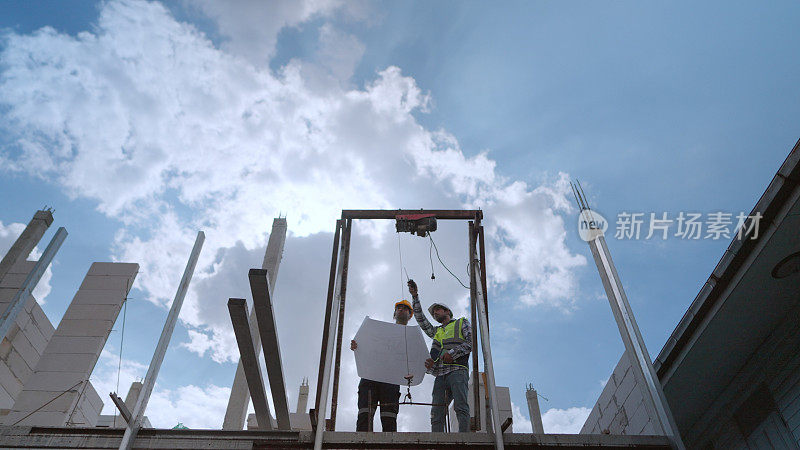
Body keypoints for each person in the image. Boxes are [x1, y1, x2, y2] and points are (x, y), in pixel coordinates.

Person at [407, 279, 472, 432]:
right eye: (434, 312)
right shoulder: (437, 331)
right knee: (436, 413)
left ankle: (465, 440)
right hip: (440, 375)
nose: (435, 313)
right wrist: (415, 296)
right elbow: (421, 320)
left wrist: (453, 354)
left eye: (438, 310)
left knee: (461, 407)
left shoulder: (461, 322)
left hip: (457, 371)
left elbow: (471, 342)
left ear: (447, 312)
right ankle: (438, 443)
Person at [350, 299, 414, 432]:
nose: (401, 310)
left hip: (391, 380)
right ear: (394, 313)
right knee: (364, 415)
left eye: (405, 308)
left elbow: (414, 359)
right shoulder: (380, 332)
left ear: (410, 315)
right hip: (370, 377)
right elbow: (368, 346)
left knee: (389, 418)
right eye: (399, 308)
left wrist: (412, 371)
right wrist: (358, 346)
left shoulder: (412, 338)